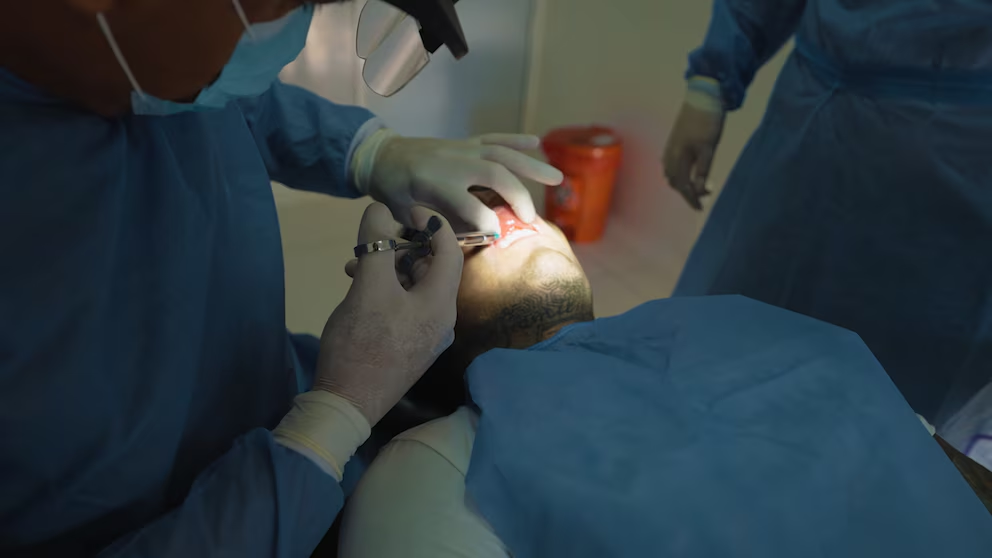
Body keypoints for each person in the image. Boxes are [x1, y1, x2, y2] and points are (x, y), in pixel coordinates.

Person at [0, 1, 563, 555]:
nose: (300, 24)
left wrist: (368, 150)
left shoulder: (139, 55)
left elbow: (207, 88)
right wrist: (328, 425)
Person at [337, 191, 992, 557]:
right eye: (441, 238)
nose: (494, 210)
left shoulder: (752, 331)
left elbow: (955, 483)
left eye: (507, 203)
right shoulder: (437, 464)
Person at [662, 0, 992, 431]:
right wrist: (710, 83)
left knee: (897, 407)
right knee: (725, 359)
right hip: (811, 130)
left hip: (957, 172)